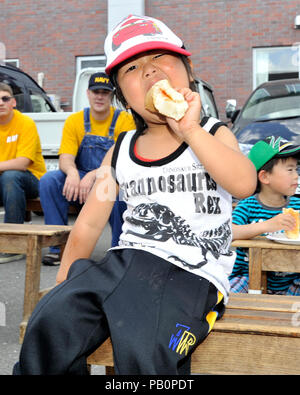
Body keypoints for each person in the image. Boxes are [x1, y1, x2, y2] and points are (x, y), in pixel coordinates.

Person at [13, 15, 256, 375]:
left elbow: (243, 183)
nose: (149, 71)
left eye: (160, 58)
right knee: (49, 324)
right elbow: (90, 223)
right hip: (122, 263)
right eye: (132, 67)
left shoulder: (211, 133)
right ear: (122, 96)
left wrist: (189, 128)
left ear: (188, 71)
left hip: (190, 274)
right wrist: (65, 284)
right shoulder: (122, 149)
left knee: (149, 348)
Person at [39, 72, 135, 265]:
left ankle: (118, 252)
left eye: (105, 92)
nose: (99, 96)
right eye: (95, 92)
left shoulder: (125, 120)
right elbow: (66, 157)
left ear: (112, 95)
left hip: (110, 176)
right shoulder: (75, 121)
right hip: (81, 175)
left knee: (118, 192)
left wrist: (94, 175)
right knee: (49, 181)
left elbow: (122, 160)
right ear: (88, 93)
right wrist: (73, 173)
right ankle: (58, 247)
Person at [230, 135, 300, 294]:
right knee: (220, 301)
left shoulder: (297, 206)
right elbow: (229, 232)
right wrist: (267, 225)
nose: (296, 175)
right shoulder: (247, 206)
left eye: (296, 169)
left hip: (292, 280)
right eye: (290, 169)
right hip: (248, 277)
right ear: (264, 176)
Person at [0, 82, 46, 264]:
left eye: (5, 98)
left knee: (11, 176)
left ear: (13, 102)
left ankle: (14, 245)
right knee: (8, 177)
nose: (1, 103)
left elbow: (22, 163)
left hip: (31, 180)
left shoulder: (25, 123)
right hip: (4, 179)